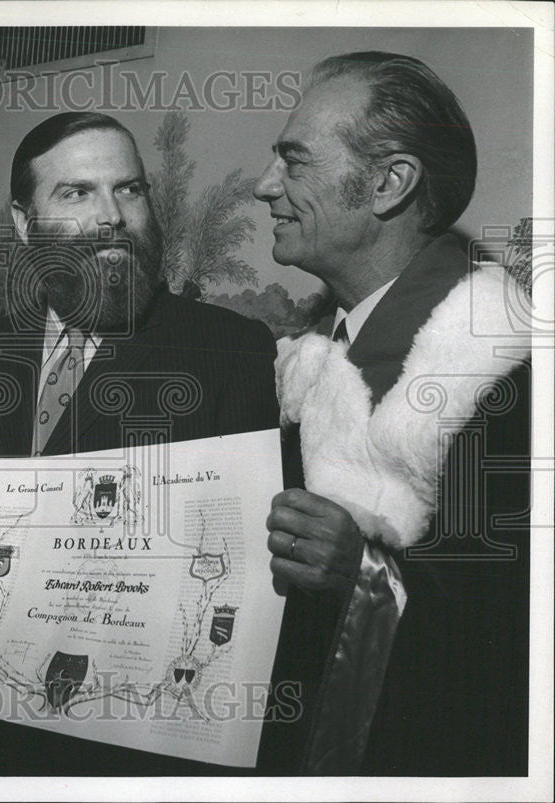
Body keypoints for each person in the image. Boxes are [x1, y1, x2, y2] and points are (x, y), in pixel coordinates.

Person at [0, 111, 281, 774]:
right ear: (25, 222)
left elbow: (248, 570)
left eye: (130, 189)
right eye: (77, 193)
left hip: (131, 757)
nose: (113, 215)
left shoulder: (228, 352)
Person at [251, 52, 531, 775]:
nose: (264, 187)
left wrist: (363, 573)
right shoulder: (299, 366)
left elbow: (518, 645)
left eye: (294, 161)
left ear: (388, 183)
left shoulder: (509, 376)